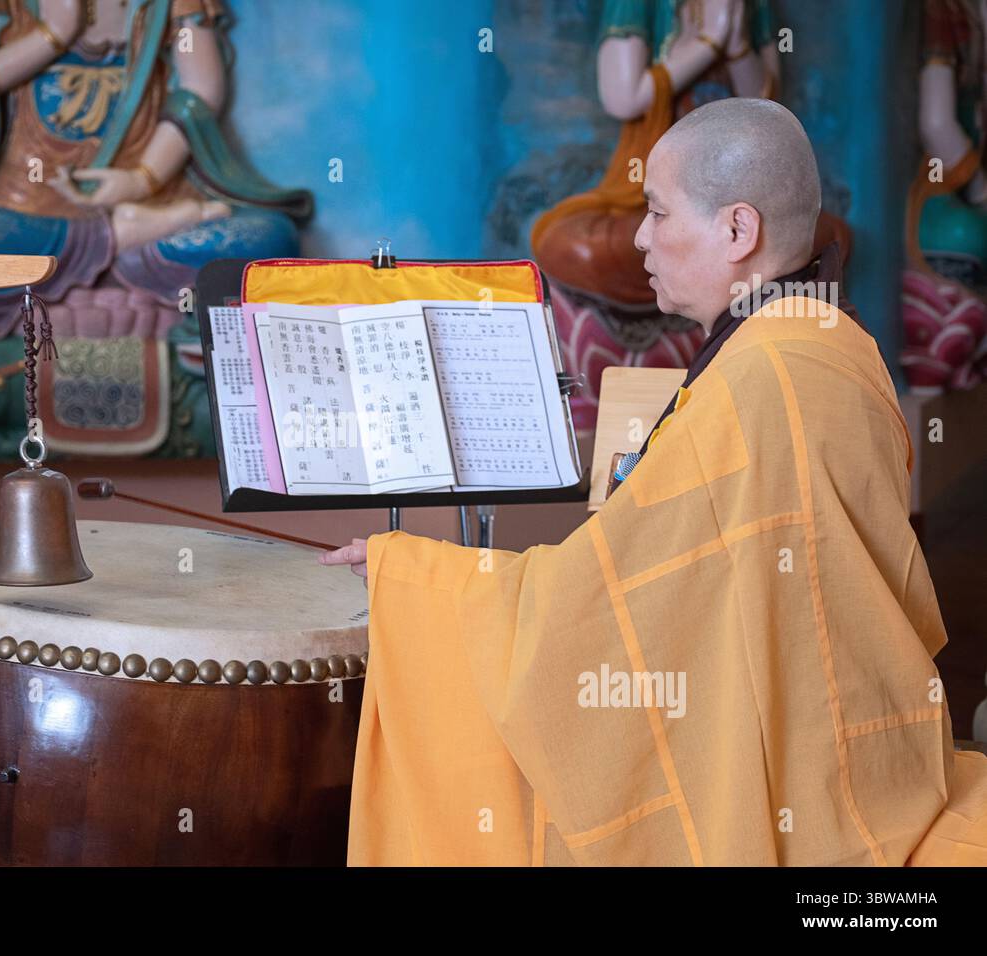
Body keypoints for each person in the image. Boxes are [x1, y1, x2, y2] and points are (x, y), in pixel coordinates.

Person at [320, 98, 987, 866]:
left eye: (659, 212)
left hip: (806, 779)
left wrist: (419, 580)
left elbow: (600, 610)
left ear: (738, 231)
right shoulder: (832, 340)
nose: (639, 235)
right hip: (871, 740)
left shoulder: (761, 379)